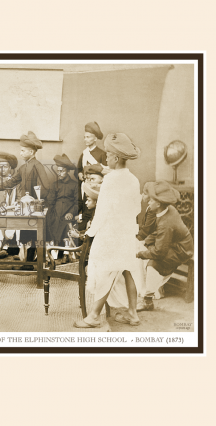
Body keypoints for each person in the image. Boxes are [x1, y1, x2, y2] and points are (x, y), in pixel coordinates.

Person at [73, 133, 142, 328]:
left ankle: (94, 316)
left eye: (109, 155)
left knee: (105, 271)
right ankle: (133, 314)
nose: (107, 158)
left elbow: (102, 211)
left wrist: (90, 233)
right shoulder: (133, 180)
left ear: (116, 158)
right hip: (127, 232)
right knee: (128, 270)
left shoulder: (110, 180)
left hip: (112, 234)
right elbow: (136, 209)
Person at [0, 131, 51, 269]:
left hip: (35, 207)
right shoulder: (23, 167)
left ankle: (34, 264)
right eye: (21, 150)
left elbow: (46, 187)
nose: (21, 153)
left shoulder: (38, 166)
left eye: (23, 150)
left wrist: (36, 200)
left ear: (32, 151)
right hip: (25, 207)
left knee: (35, 235)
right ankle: (28, 263)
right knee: (28, 234)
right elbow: (12, 182)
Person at [135, 180, 194, 311]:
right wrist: (145, 242)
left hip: (182, 250)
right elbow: (158, 232)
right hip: (174, 242)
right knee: (145, 248)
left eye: (151, 201)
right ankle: (148, 290)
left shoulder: (166, 223)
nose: (148, 202)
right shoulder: (167, 210)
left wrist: (138, 254)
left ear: (158, 204)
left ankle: (147, 300)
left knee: (153, 264)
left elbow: (159, 252)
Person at [45, 154, 79, 264]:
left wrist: (71, 213)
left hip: (68, 212)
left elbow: (77, 202)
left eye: (62, 171)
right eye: (58, 171)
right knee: (49, 222)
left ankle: (66, 254)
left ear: (67, 171)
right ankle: (50, 255)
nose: (59, 173)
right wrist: (51, 212)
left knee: (66, 224)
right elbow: (50, 201)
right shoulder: (54, 184)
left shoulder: (75, 185)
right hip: (56, 211)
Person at [0, 151, 19, 259]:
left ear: (10, 167)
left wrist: (9, 207)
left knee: (9, 233)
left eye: (5, 166)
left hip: (13, 213)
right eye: (0, 167)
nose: (2, 169)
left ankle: (6, 247)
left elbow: (19, 200)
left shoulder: (17, 182)